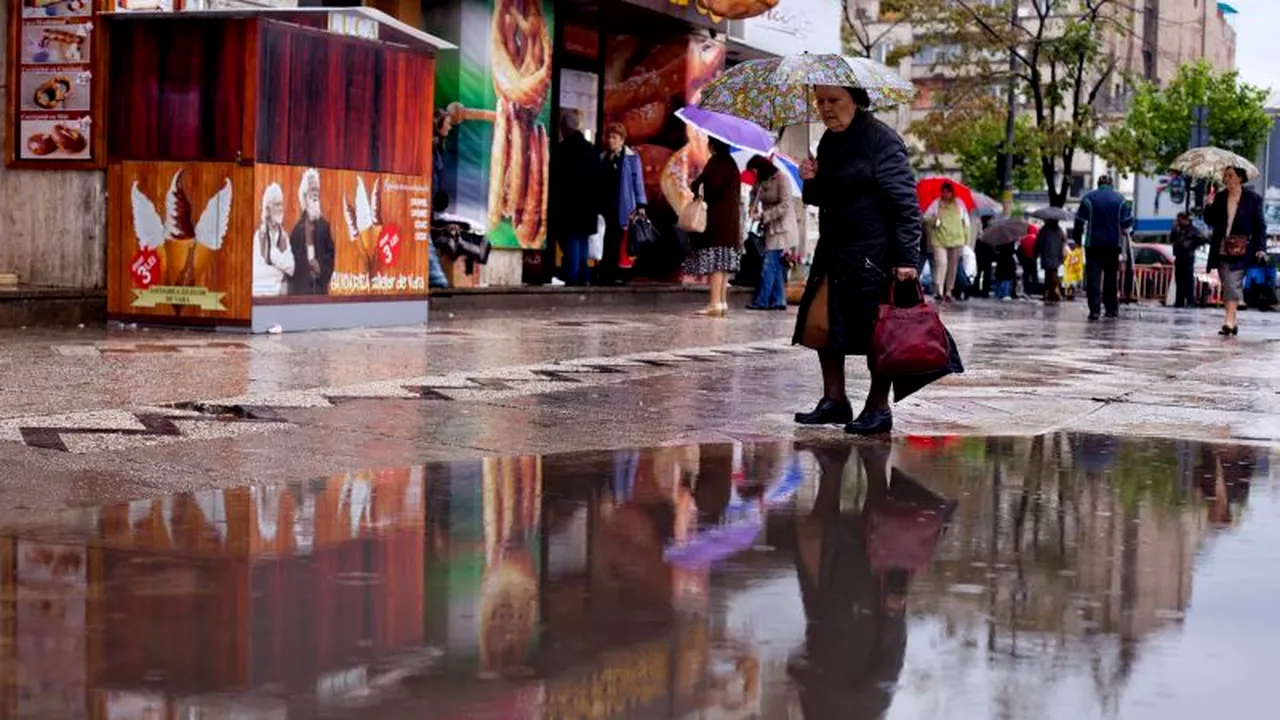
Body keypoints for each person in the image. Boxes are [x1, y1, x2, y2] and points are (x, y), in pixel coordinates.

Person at [794, 85, 949, 436]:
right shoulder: (829, 142)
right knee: (820, 323)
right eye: (820, 102)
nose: (825, 109)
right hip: (834, 250)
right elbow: (823, 196)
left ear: (855, 100)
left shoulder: (882, 140)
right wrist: (810, 180)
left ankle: (878, 408)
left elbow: (905, 204)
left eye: (833, 101)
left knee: (879, 331)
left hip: (872, 254)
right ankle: (835, 399)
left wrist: (907, 258)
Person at [1205, 165, 1267, 336]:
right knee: (1227, 284)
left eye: (1231, 175)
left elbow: (1260, 226)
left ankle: (1229, 321)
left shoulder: (1253, 199)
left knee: (1233, 282)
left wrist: (1261, 248)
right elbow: (1210, 220)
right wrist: (1208, 204)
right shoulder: (1220, 197)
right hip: (1222, 247)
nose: (1227, 179)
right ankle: (1231, 319)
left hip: (1242, 248)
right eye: (1225, 176)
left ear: (1240, 178)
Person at [684, 138, 743, 316]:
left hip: (718, 222)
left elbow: (712, 186)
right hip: (730, 223)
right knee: (723, 264)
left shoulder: (716, 162)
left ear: (712, 145)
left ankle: (714, 303)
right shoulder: (732, 164)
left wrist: (698, 182)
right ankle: (722, 301)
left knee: (716, 263)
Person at [550, 111, 602, 286]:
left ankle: (572, 276)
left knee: (572, 239)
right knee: (583, 240)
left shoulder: (561, 150)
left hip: (569, 204)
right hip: (589, 205)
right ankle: (584, 276)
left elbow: (556, 179)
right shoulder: (592, 150)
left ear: (564, 128)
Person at [1072, 175, 1134, 320]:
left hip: (1093, 244)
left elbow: (1079, 221)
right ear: (1111, 184)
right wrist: (1130, 233)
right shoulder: (1120, 200)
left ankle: (1094, 310)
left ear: (1098, 184)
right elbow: (1126, 223)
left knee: (1094, 278)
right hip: (1113, 245)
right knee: (1111, 277)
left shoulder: (1088, 199)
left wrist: (1077, 239)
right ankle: (1111, 309)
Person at [746, 155, 797, 311]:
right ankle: (779, 300)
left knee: (769, 264)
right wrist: (752, 208)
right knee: (774, 265)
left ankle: (762, 301)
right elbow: (754, 194)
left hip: (782, 228)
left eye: (755, 171)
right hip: (769, 227)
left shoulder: (781, 179)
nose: (754, 174)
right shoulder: (761, 181)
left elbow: (785, 205)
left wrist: (765, 216)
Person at [599, 123, 647, 286]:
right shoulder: (604, 157)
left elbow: (637, 181)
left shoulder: (631, 157)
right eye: (609, 137)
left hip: (624, 204)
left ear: (622, 140)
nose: (611, 141)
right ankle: (606, 272)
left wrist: (641, 204)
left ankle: (619, 274)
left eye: (614, 138)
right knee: (607, 238)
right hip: (606, 204)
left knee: (621, 239)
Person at [289, 168, 335, 295]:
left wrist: (319, 267)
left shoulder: (324, 226)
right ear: (304, 195)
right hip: (301, 294)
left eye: (317, 189)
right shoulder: (296, 231)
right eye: (312, 189)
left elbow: (331, 255)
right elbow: (292, 266)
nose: (315, 193)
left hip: (320, 291)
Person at [924, 183, 969, 302]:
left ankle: (949, 291)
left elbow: (966, 221)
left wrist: (966, 239)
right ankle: (939, 290)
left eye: (948, 191)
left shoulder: (959, 203)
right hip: (939, 239)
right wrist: (934, 219)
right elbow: (926, 218)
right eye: (944, 191)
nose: (946, 194)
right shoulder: (936, 204)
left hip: (956, 239)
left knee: (953, 267)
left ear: (952, 192)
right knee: (942, 263)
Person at [252, 182, 294, 297]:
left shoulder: (284, 237)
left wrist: (275, 258)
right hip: (262, 297)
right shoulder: (259, 236)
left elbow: (291, 268)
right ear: (268, 209)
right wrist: (280, 273)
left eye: (281, 204)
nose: (280, 208)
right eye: (276, 204)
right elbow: (257, 274)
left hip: (280, 299)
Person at [1169, 212, 1206, 308]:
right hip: (1179, 255)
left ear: (1186, 220)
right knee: (1179, 280)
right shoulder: (1177, 229)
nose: (1178, 222)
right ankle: (1179, 301)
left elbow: (1203, 238)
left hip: (1188, 257)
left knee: (1188, 280)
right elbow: (1172, 238)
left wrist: (1192, 244)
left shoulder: (1193, 230)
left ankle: (1190, 302)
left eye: (1180, 220)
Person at [1036, 218, 1066, 302]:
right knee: (1054, 272)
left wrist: (1037, 252)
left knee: (1048, 273)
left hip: (1046, 254)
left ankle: (1048, 291)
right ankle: (1055, 290)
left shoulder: (1044, 230)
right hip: (1056, 255)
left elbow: (1039, 242)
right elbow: (1063, 240)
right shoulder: (1059, 230)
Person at [974, 215, 995, 297]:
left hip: (979, 254)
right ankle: (985, 291)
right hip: (987, 255)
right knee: (987, 274)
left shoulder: (980, 229)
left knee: (978, 273)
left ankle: (976, 290)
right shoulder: (990, 230)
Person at [1018, 222, 1040, 298]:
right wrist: (1036, 256)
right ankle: (1033, 290)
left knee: (1026, 276)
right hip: (1033, 259)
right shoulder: (1036, 239)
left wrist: (1021, 260)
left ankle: (1026, 291)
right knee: (1034, 276)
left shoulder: (1023, 239)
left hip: (1025, 260)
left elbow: (1020, 250)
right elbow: (1038, 250)